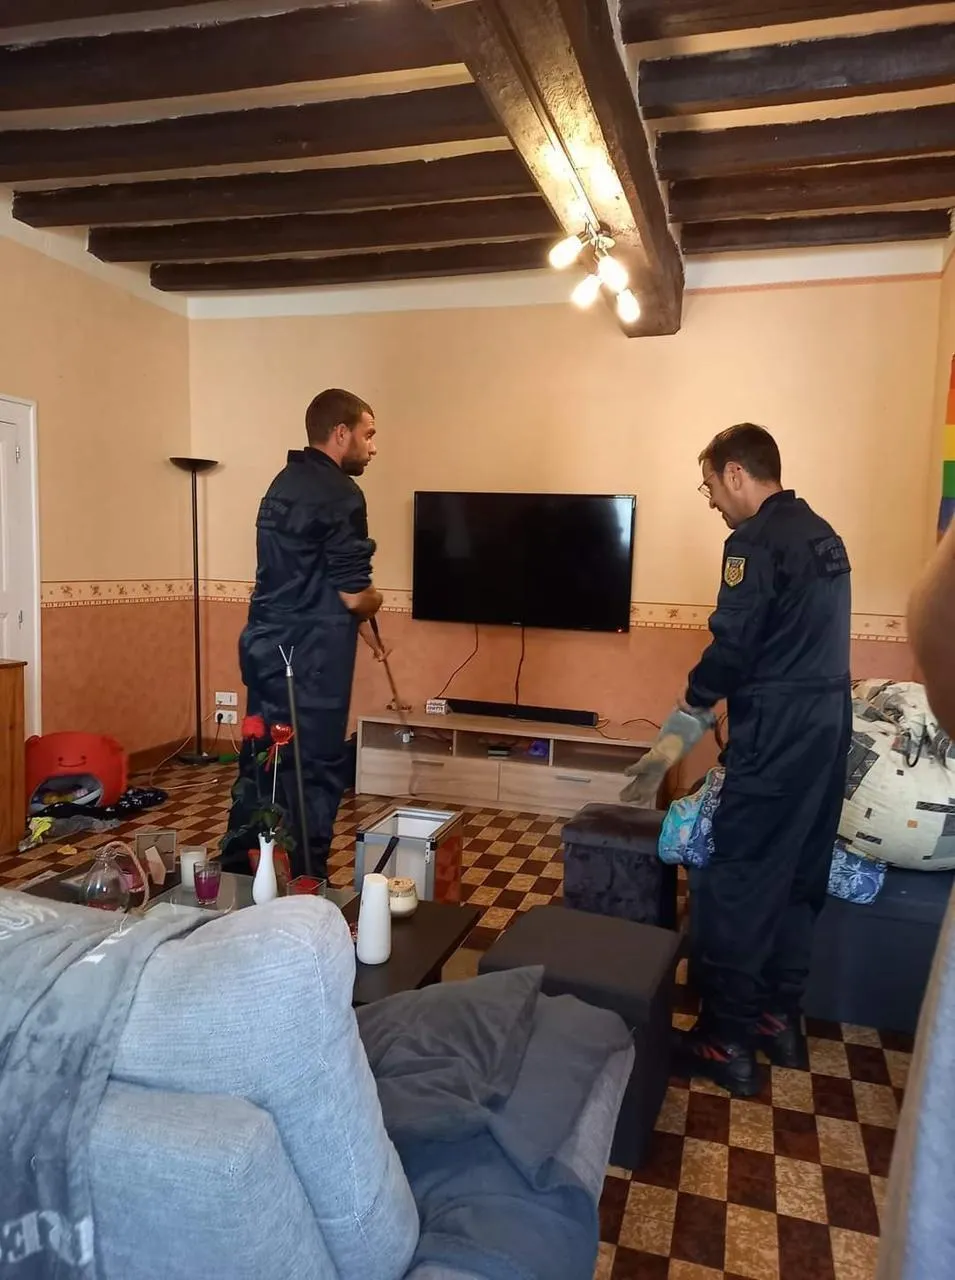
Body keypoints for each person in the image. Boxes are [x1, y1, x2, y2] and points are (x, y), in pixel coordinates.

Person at [675, 423, 852, 1096]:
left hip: (777, 734)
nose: (712, 502)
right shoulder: (822, 534)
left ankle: (725, 1041)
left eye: (710, 486)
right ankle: (780, 1021)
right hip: (828, 728)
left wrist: (693, 701)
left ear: (735, 473)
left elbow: (734, 645)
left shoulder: (751, 543)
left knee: (740, 878)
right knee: (800, 877)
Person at [223, 388, 386, 881]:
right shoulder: (341, 493)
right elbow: (353, 594)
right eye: (368, 434)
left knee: (263, 767)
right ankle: (306, 884)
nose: (373, 447)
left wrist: (362, 630)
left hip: (265, 651)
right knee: (312, 774)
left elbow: (306, 576)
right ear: (341, 433)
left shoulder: (282, 483)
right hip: (311, 665)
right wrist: (373, 603)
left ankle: (240, 878)